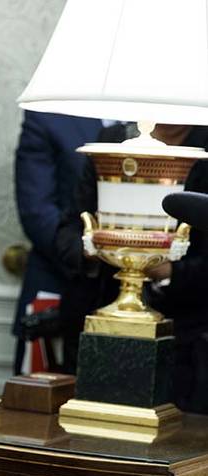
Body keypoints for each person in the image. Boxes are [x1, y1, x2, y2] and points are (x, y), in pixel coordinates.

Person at [55, 123, 208, 413]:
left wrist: (169, 272)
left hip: (186, 339)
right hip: (96, 320)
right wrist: (99, 246)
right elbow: (67, 230)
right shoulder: (112, 141)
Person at [11, 111, 103, 373]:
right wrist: (91, 256)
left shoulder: (162, 118)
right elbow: (37, 211)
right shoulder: (50, 114)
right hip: (59, 283)